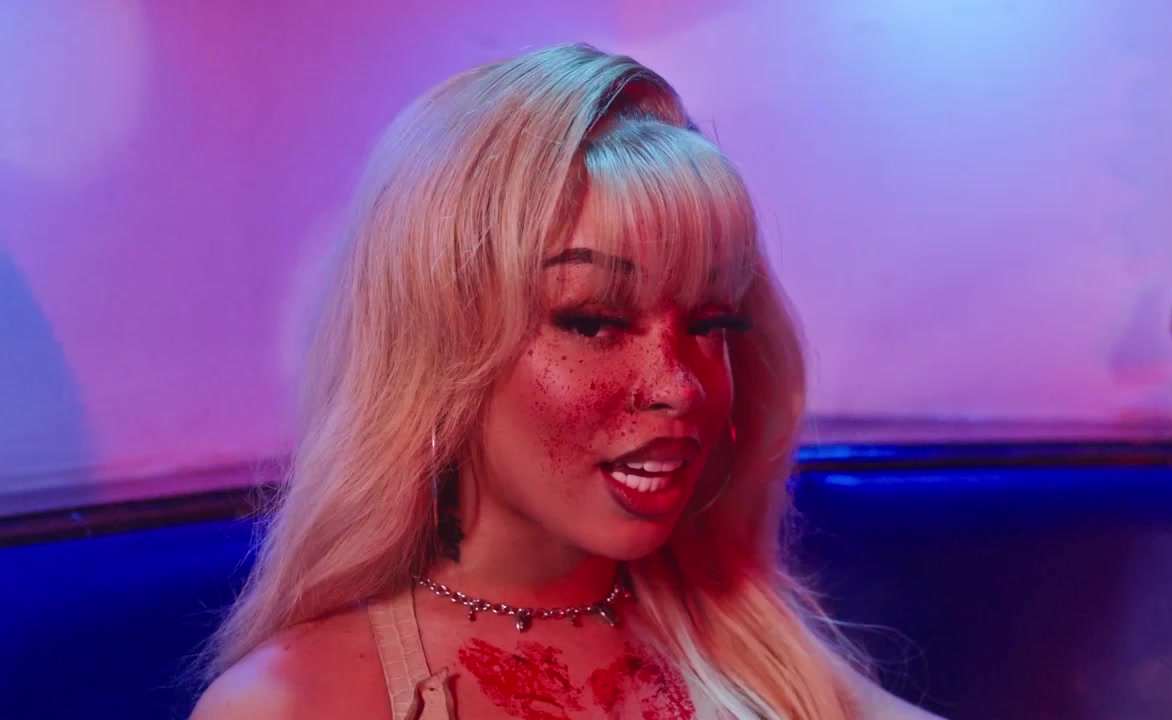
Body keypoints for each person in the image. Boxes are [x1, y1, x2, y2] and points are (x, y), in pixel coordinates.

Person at [192, 43, 942, 720]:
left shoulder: (755, 651)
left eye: (711, 322)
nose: (680, 387)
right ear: (438, 347)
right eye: (593, 321)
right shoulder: (293, 704)